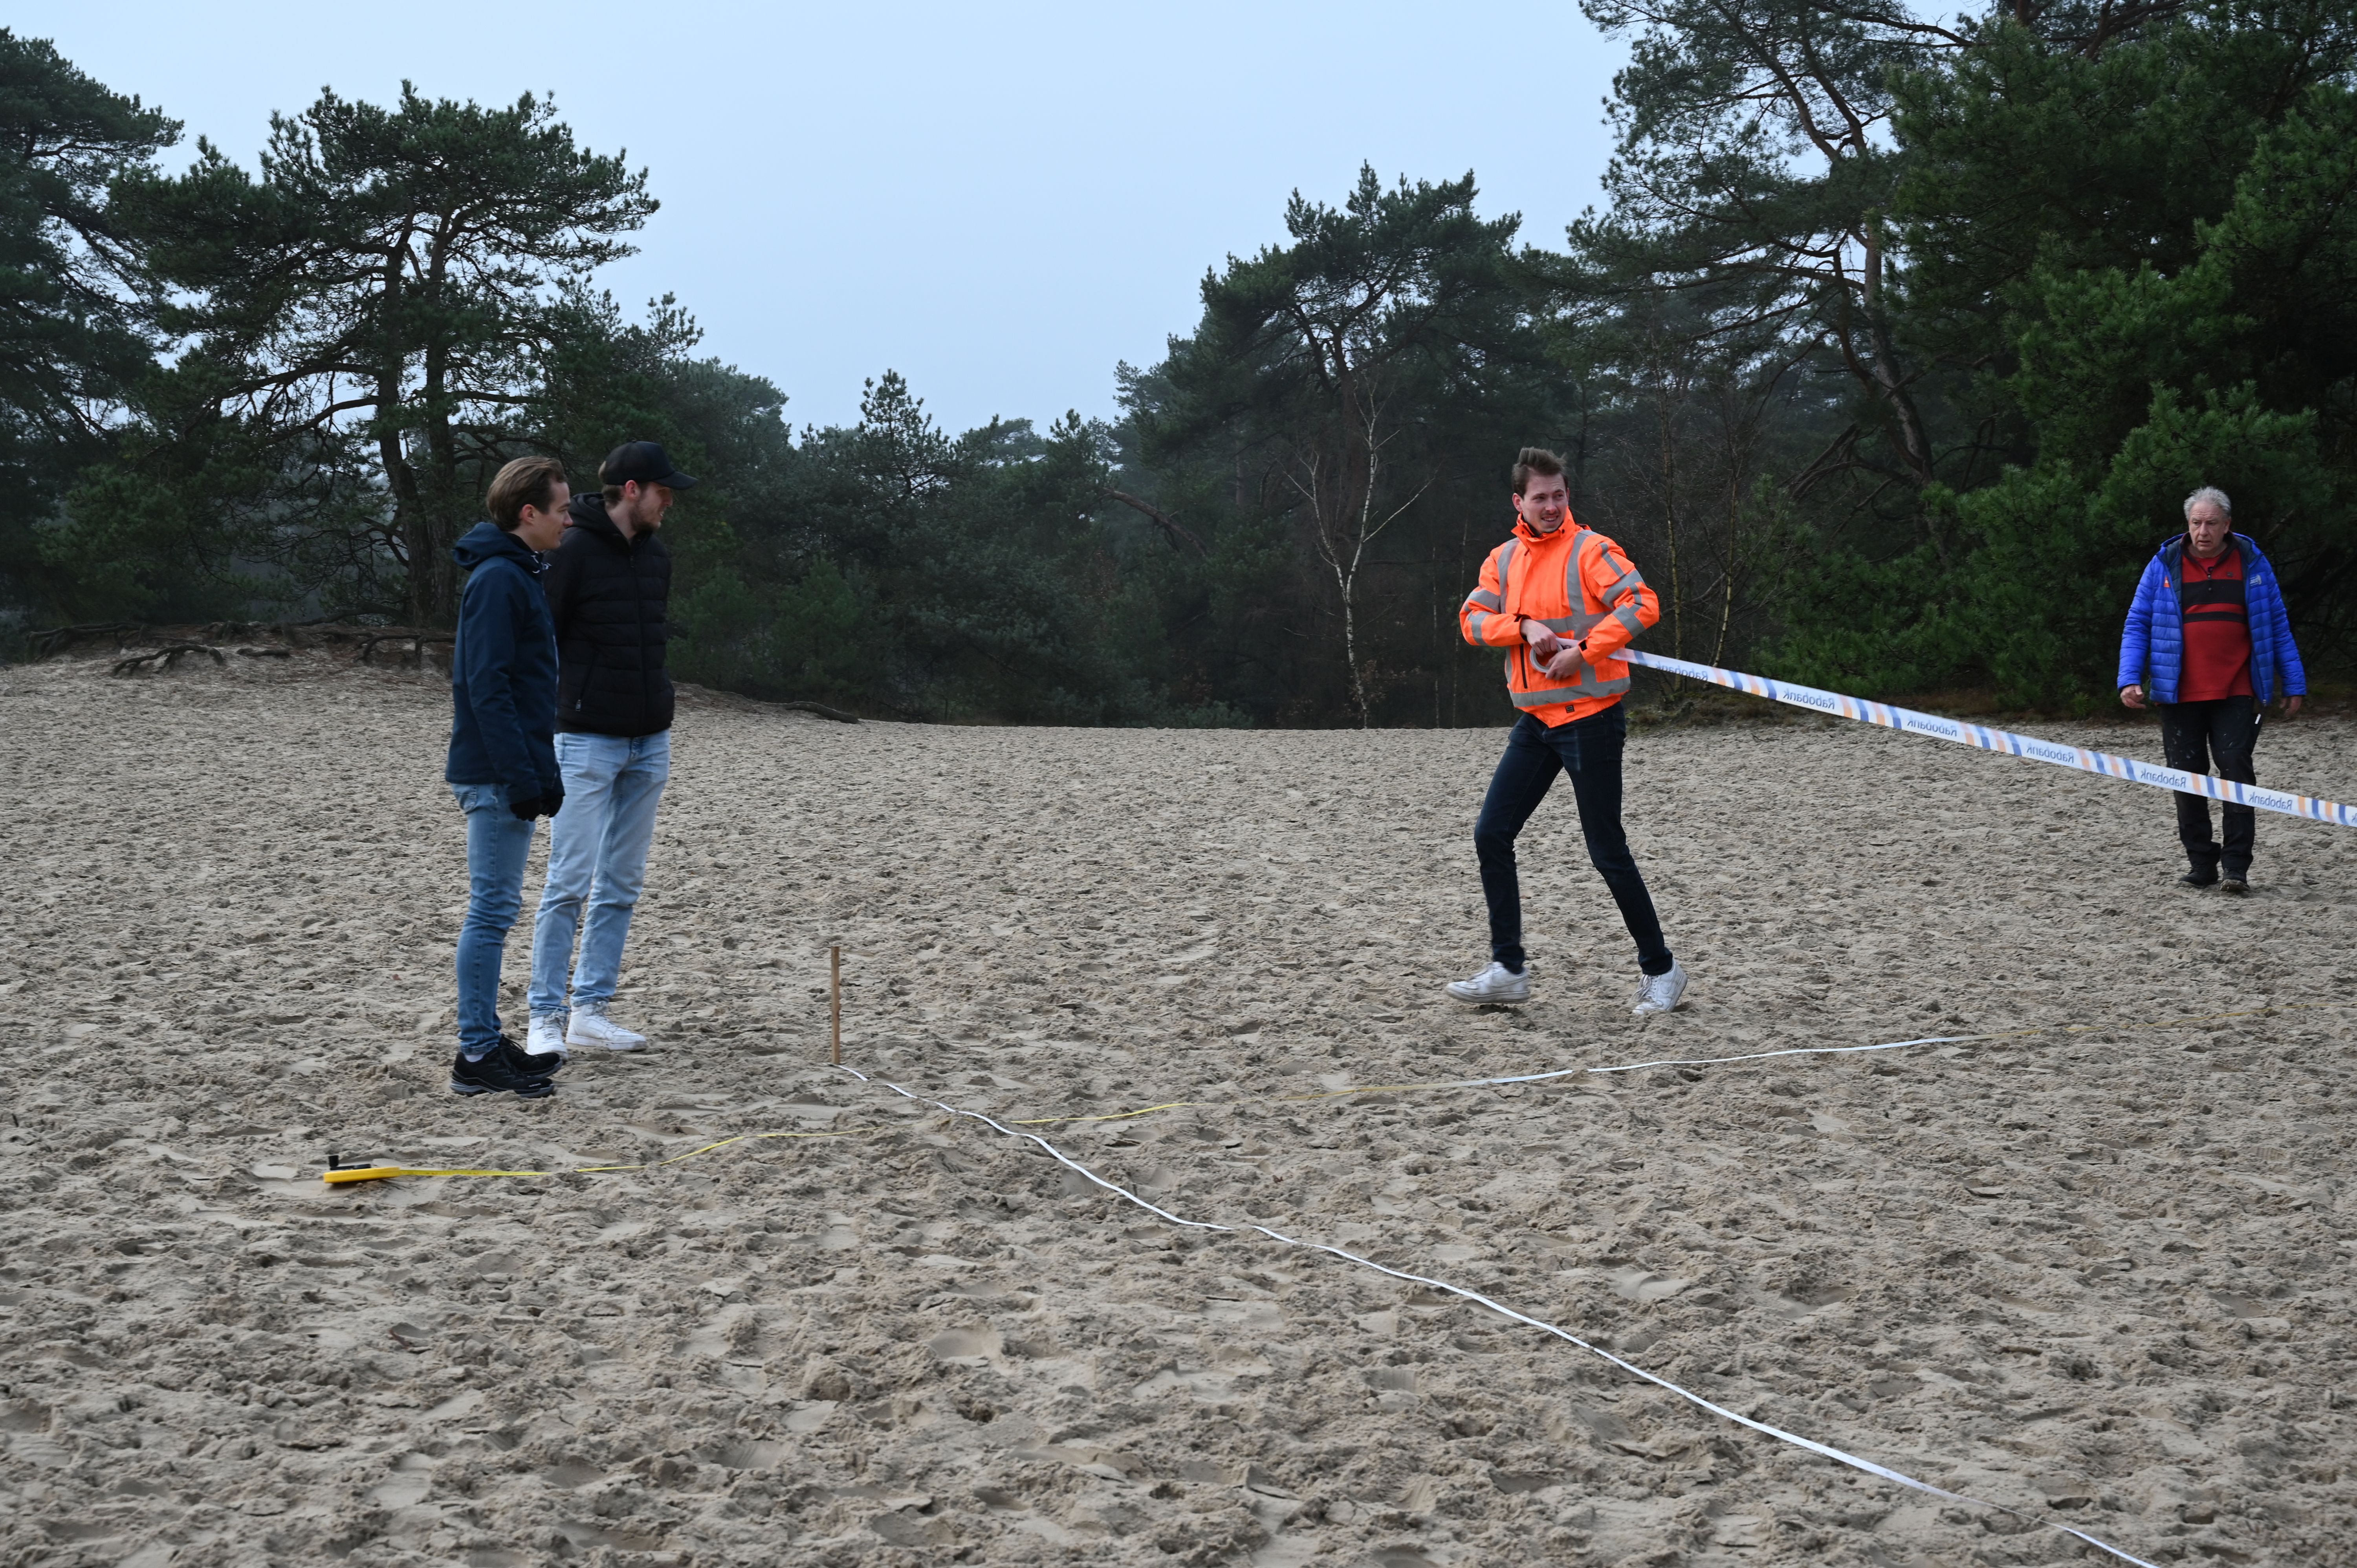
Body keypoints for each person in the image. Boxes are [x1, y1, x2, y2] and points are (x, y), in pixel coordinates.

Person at [1446, 447, 1687, 1015]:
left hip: (1592, 719)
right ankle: (1508, 969)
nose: (1551, 506)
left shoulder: (1592, 549)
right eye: (1540, 498)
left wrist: (1585, 651)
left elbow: (1642, 603)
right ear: (1519, 502)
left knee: (1606, 850)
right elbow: (1472, 622)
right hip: (1536, 722)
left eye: (1559, 495)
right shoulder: (1502, 560)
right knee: (1491, 833)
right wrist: (1522, 626)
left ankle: (1662, 970)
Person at [526, 441, 696, 1056]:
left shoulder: (657, 558)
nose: (669, 502)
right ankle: (545, 1017)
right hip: (584, 741)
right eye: (663, 492)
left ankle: (590, 1012)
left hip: (650, 743)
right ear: (631, 491)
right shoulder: (571, 550)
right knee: (568, 883)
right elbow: (541, 640)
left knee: (622, 884)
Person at [445, 456, 574, 1097]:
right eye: (562, 509)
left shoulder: (519, 572)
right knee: (492, 909)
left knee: (497, 908)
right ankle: (476, 1052)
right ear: (529, 513)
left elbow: (527, 689)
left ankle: (488, 1040)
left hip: (510, 766)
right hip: (493, 773)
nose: (569, 520)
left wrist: (543, 771)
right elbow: (486, 687)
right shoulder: (499, 578)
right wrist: (521, 776)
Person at [2118, 485, 2306, 894]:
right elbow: (2138, 623)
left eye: (2211, 523)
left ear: (2227, 525)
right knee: (2187, 776)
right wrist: (2129, 677)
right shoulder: (2164, 563)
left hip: (2239, 688)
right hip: (2177, 691)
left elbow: (2277, 625)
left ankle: (2236, 868)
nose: (2203, 531)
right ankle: (2201, 864)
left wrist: (2294, 682)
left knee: (2235, 766)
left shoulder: (2253, 562)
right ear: (2188, 524)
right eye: (2196, 523)